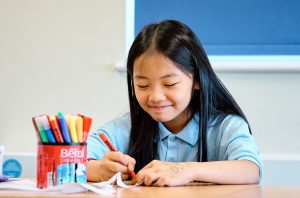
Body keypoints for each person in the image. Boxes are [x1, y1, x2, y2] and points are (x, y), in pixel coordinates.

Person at [86, 20, 262, 186]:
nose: (155, 97)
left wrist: (185, 170)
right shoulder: (127, 127)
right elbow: (69, 163)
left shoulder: (225, 126)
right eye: (142, 85)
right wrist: (99, 170)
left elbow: (250, 169)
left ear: (197, 80)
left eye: (169, 84)